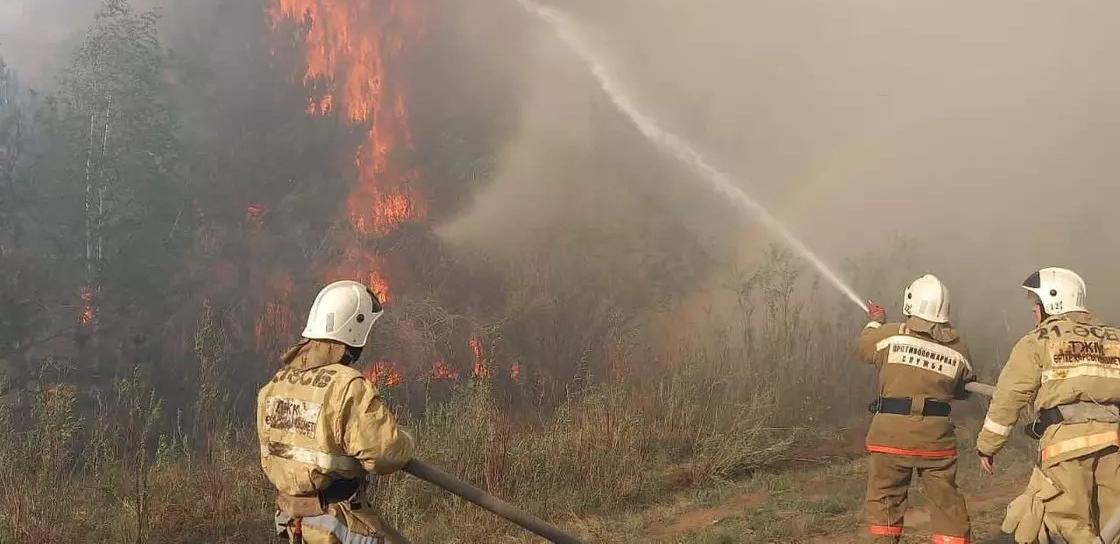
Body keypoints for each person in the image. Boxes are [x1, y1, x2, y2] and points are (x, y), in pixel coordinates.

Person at [258, 280, 415, 544]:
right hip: (334, 521)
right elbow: (385, 454)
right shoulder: (348, 387)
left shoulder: (275, 384)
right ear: (354, 332)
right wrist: (406, 441)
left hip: (290, 519)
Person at [978, 268, 1120, 542]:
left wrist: (988, 446)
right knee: (1112, 526)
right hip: (1115, 445)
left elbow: (1009, 397)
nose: (1034, 310)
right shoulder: (1114, 338)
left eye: (1036, 304)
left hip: (1066, 448)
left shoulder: (1038, 341)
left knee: (1066, 524)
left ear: (1051, 303)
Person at [857, 274, 976, 543]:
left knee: (885, 502)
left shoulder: (891, 335)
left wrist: (876, 320)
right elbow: (963, 390)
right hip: (936, 441)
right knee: (947, 503)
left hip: (890, 436)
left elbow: (863, 347)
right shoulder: (959, 348)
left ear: (911, 302)